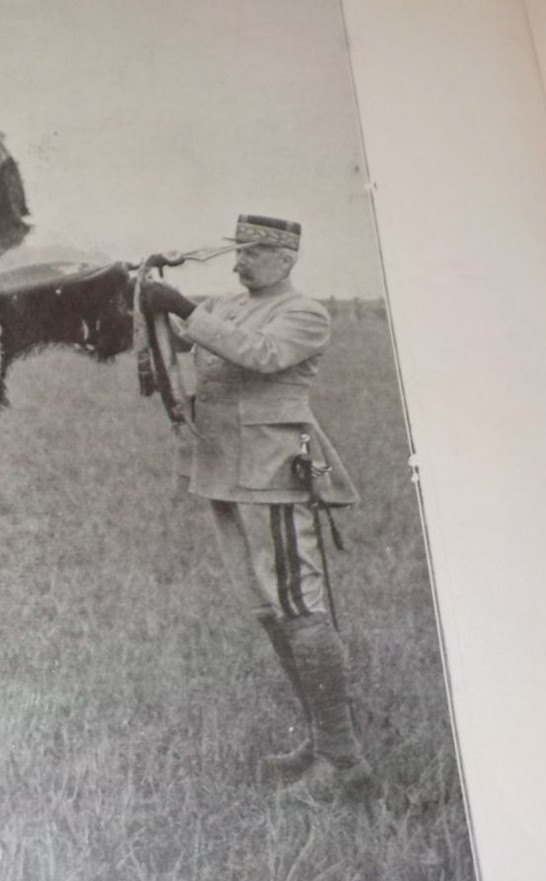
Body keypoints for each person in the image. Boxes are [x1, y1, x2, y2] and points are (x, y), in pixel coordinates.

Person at [140, 213, 376, 803]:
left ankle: (345, 765)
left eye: (252, 252)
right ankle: (323, 740)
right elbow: (186, 336)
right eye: (239, 251)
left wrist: (183, 308)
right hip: (224, 471)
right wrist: (142, 299)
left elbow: (261, 356)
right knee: (268, 607)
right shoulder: (227, 302)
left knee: (300, 604)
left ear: (285, 259)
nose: (240, 262)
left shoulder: (304, 313)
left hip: (276, 471)